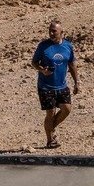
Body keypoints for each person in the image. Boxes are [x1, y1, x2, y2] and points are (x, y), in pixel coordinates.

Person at [31, 20, 80, 149]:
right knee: (50, 113)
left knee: (67, 109)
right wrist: (42, 70)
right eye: (50, 31)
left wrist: (77, 82)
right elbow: (34, 62)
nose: (51, 33)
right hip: (45, 86)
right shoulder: (43, 46)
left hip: (62, 85)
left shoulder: (68, 46)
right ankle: (50, 140)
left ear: (61, 32)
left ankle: (51, 128)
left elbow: (72, 64)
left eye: (54, 31)